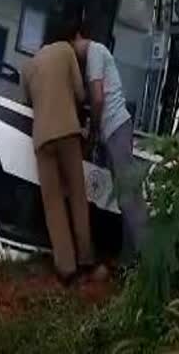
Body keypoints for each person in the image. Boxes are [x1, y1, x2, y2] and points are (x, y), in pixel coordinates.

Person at [20, 18, 94, 285]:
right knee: (76, 194)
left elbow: (27, 102)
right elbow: (80, 93)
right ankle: (85, 259)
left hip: (42, 138)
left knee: (52, 204)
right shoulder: (66, 51)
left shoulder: (28, 66)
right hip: (67, 131)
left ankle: (66, 268)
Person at [70, 22, 149, 264]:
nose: (72, 51)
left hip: (115, 127)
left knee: (128, 196)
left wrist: (93, 130)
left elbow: (96, 97)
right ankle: (129, 259)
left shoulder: (95, 51)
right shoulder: (97, 55)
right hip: (116, 128)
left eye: (71, 45)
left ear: (78, 36)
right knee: (124, 196)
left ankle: (148, 257)